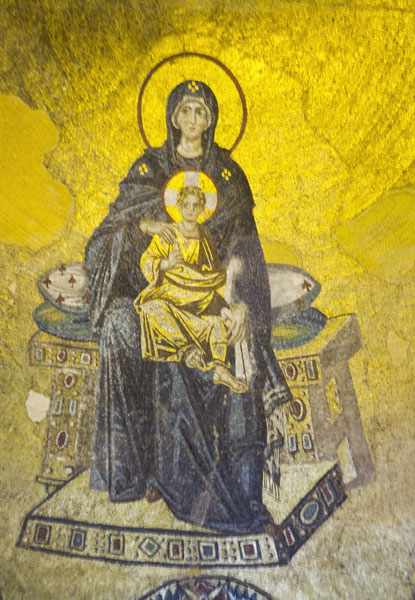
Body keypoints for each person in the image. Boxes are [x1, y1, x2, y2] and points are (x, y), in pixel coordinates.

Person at [85, 80, 292, 534]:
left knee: (239, 351)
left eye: (202, 112)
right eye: (186, 110)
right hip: (161, 294)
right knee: (126, 327)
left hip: (215, 297)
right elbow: (107, 239)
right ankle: (140, 473)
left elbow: (246, 251)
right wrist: (146, 228)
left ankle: (242, 498)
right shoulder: (149, 169)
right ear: (173, 117)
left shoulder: (229, 178)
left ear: (211, 120)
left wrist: (242, 305)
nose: (194, 120)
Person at [135, 185, 247, 394]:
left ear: (202, 209)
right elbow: (147, 260)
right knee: (152, 309)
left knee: (216, 323)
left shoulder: (205, 237)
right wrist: (166, 264)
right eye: (186, 205)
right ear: (179, 206)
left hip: (199, 293)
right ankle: (186, 350)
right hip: (171, 292)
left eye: (196, 206)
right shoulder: (169, 233)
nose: (190, 210)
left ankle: (220, 369)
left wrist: (227, 300)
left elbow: (212, 273)